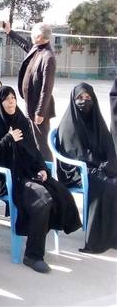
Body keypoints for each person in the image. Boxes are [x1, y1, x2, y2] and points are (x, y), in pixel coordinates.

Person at [0, 86, 81, 273]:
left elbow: (33, 149)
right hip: (5, 176)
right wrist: (8, 139)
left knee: (60, 192)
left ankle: (38, 234)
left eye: (13, 98)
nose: (11, 102)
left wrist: (42, 168)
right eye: (6, 99)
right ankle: (33, 255)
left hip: (27, 172)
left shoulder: (21, 120)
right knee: (42, 199)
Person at [56, 83, 117, 253]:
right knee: (105, 186)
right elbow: (74, 155)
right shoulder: (69, 124)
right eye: (80, 98)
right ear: (73, 100)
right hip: (75, 171)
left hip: (95, 167)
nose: (84, 101)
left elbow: (108, 147)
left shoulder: (97, 121)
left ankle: (112, 237)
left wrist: (107, 165)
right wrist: (98, 167)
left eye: (88, 97)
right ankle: (96, 241)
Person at [3, 21, 56, 161]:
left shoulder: (48, 57)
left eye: (33, 33)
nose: (31, 35)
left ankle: (47, 168)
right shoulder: (37, 49)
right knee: (33, 140)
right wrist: (10, 32)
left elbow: (47, 88)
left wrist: (40, 112)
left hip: (39, 108)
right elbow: (24, 44)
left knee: (42, 143)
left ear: (39, 36)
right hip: (30, 103)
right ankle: (37, 166)